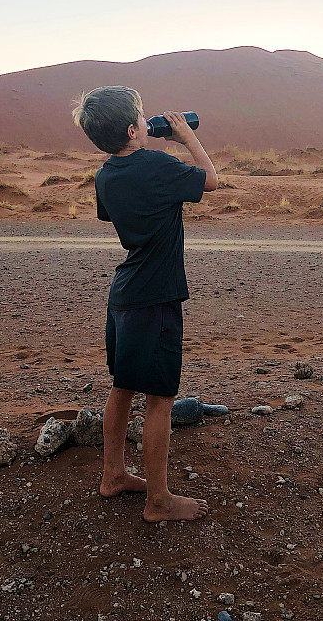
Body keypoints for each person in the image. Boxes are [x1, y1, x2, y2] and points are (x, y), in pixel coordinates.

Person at [71, 86, 218, 522]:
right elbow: (210, 180)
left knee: (123, 386)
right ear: (136, 129)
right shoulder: (157, 165)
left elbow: (110, 214)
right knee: (160, 398)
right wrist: (185, 138)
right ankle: (159, 501)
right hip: (155, 295)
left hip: (124, 294)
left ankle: (112, 475)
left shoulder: (104, 175)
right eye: (141, 115)